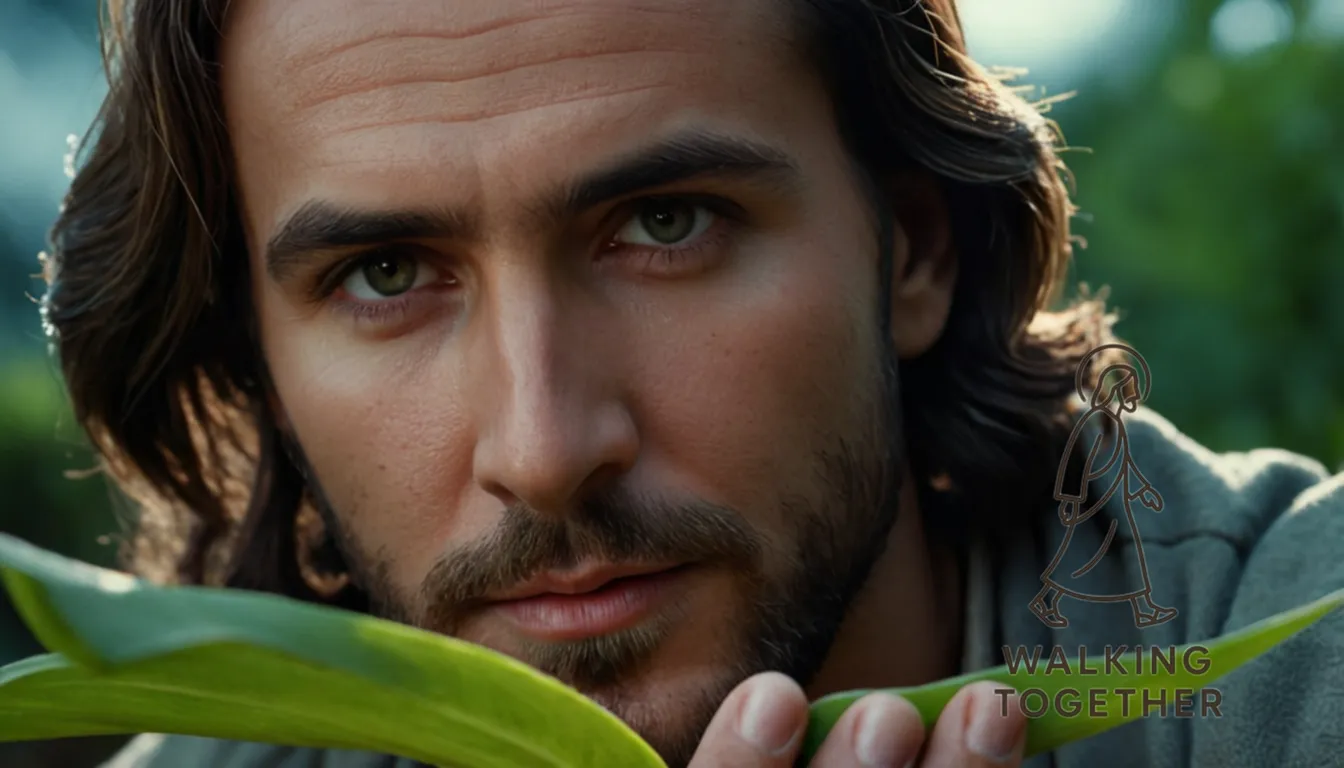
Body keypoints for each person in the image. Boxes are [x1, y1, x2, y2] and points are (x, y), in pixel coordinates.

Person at [39, 0, 1343, 766]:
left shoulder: (1294, 668)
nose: (545, 448)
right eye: (385, 274)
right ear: (260, 361)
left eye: (666, 225)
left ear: (915, 248)